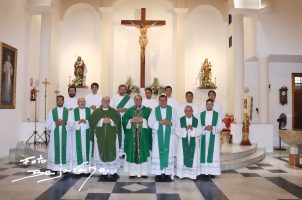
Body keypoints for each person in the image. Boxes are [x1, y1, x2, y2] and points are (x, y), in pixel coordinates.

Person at [89, 96, 122, 181]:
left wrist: (111, 121)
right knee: (101, 152)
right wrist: (101, 121)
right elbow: (92, 122)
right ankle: (103, 173)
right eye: (104, 100)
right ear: (101, 101)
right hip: (100, 137)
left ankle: (113, 172)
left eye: (108, 101)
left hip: (112, 137)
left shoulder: (115, 112)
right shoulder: (96, 112)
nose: (106, 102)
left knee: (112, 151)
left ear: (109, 102)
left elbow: (118, 122)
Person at [148, 95, 177, 182]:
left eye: (164, 100)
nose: (163, 102)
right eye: (161, 100)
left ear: (167, 101)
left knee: (168, 154)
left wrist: (170, 122)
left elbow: (176, 122)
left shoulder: (171, 110)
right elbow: (150, 123)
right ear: (159, 101)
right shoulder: (155, 110)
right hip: (158, 137)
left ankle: (167, 174)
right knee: (158, 153)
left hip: (169, 137)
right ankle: (158, 174)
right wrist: (159, 122)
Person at [122, 95, 152, 178]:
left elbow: (151, 121)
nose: (137, 101)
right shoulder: (129, 111)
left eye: (139, 99)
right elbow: (124, 120)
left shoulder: (147, 111)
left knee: (143, 152)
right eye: (136, 99)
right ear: (134, 100)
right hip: (132, 137)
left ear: (141, 100)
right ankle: (132, 172)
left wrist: (143, 120)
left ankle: (144, 172)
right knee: (132, 152)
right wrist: (131, 120)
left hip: (143, 137)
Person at [46, 95, 72, 172]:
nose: (60, 101)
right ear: (56, 101)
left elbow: (72, 123)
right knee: (55, 148)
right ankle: (54, 168)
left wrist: (65, 122)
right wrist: (55, 123)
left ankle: (65, 167)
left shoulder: (68, 111)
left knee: (65, 148)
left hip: (66, 134)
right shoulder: (51, 111)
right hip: (55, 134)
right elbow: (47, 124)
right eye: (58, 100)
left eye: (61, 100)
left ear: (64, 101)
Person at [199, 99, 223, 178]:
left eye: (210, 104)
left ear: (213, 105)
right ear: (205, 105)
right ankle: (203, 171)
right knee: (204, 153)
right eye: (207, 104)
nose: (209, 105)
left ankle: (212, 172)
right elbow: (198, 126)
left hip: (214, 136)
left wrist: (212, 127)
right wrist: (205, 128)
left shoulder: (217, 115)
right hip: (204, 136)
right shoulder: (201, 114)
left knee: (213, 154)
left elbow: (220, 126)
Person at [176, 105, 201, 180]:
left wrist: (193, 129)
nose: (188, 112)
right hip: (182, 143)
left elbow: (200, 131)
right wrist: (185, 129)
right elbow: (177, 131)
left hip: (194, 142)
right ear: (184, 112)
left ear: (192, 112)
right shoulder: (180, 120)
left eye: (190, 110)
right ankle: (182, 174)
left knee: (194, 156)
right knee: (182, 156)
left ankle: (192, 175)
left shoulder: (196, 120)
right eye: (186, 111)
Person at [110, 84, 134, 156]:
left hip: (126, 120)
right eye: (121, 89)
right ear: (118, 90)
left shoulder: (129, 99)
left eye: (124, 89)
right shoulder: (114, 98)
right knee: (117, 134)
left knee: (125, 134)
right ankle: (117, 150)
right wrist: (118, 110)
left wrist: (126, 109)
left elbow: (132, 109)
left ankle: (124, 151)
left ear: (126, 90)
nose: (122, 90)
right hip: (116, 118)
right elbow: (110, 108)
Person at [70, 97, 91, 174]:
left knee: (86, 150)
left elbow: (93, 121)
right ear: (77, 103)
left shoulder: (90, 110)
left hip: (87, 133)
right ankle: (77, 170)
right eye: (80, 101)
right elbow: (70, 123)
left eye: (83, 101)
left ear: (85, 102)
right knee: (77, 150)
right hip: (76, 134)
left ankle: (86, 170)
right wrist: (78, 122)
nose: (82, 103)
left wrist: (86, 121)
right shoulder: (72, 112)